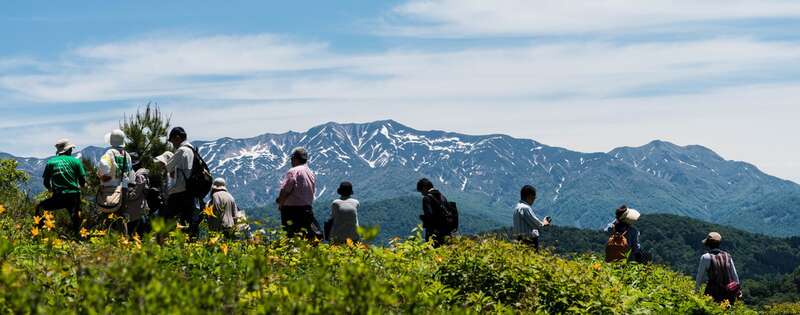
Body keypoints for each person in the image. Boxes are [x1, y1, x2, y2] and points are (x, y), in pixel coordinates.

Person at [37, 139, 87, 237]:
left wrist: (51, 189)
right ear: (68, 150)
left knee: (41, 208)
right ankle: (79, 237)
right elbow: (82, 181)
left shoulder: (51, 162)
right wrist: (82, 186)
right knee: (75, 217)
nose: (72, 151)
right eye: (71, 149)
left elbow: (46, 182)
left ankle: (39, 233)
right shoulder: (76, 161)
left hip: (58, 196)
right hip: (74, 195)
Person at [276, 147, 320, 241]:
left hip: (292, 211)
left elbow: (285, 190)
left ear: (295, 159)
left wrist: (280, 203)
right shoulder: (310, 172)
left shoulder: (293, 171)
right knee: (306, 237)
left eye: (292, 159)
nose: (291, 161)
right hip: (307, 210)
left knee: (292, 238)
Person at [163, 127, 200, 236]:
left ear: (178, 138)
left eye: (172, 140)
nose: (172, 144)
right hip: (190, 190)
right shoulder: (192, 149)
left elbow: (167, 167)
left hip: (180, 191)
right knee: (188, 220)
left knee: (168, 220)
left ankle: (166, 242)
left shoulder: (182, 150)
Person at [97, 129, 135, 233]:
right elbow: (131, 173)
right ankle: (124, 239)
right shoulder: (127, 155)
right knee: (121, 217)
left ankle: (106, 240)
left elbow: (104, 164)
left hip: (111, 189)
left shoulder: (110, 152)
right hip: (124, 188)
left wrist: (104, 176)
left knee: (107, 214)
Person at [696, 232, 741, 304]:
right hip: (728, 293)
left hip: (712, 293)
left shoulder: (705, 257)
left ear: (708, 244)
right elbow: (735, 275)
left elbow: (699, 277)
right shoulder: (727, 256)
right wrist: (738, 290)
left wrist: (696, 292)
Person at [417, 178, 456, 247]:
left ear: (425, 188)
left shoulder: (427, 198)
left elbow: (429, 215)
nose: (422, 194)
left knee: (432, 252)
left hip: (434, 232)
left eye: (421, 191)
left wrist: (423, 218)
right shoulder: (442, 197)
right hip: (446, 231)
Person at [512, 185, 551, 251]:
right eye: (534, 197)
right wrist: (545, 223)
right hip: (528, 241)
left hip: (519, 240)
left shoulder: (517, 207)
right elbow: (537, 225)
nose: (534, 200)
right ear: (530, 196)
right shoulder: (525, 208)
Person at [124, 152, 150, 236]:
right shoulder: (144, 175)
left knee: (134, 233)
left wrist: (126, 194)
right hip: (141, 207)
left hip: (136, 209)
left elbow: (135, 194)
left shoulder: (139, 176)